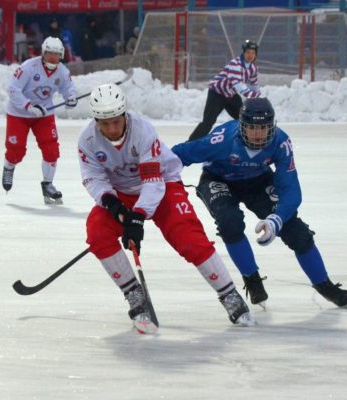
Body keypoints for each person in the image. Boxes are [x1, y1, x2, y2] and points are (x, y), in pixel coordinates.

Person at [77, 83, 255, 334]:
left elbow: (153, 181)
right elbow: (93, 178)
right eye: (105, 124)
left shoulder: (143, 131)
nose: (112, 129)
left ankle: (229, 295)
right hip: (121, 192)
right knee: (97, 232)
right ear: (96, 121)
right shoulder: (87, 140)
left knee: (188, 238)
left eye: (116, 121)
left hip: (163, 185)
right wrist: (114, 206)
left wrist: (137, 217)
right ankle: (134, 295)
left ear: (124, 115)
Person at [171, 97, 347, 309]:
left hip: (258, 181)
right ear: (241, 127)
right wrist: (152, 177)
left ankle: (324, 285)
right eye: (251, 128)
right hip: (218, 179)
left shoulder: (281, 142)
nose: (258, 135)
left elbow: (291, 190)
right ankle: (252, 279)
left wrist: (277, 219)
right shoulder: (222, 139)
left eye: (264, 128)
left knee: (296, 232)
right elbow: (180, 153)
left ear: (273, 126)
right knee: (229, 223)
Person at [1, 36, 77, 205]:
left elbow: (68, 88)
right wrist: (29, 106)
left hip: (44, 114)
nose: (53, 58)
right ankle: (9, 167)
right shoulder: (28, 67)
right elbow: (13, 89)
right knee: (16, 150)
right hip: (18, 114)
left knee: (51, 149)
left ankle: (48, 184)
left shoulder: (62, 71)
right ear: (43, 53)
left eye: (57, 55)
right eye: (50, 54)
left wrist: (71, 98)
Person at [188, 39, 261, 141]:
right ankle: (190, 145)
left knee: (244, 119)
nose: (250, 55)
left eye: (253, 53)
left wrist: (258, 96)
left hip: (231, 95)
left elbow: (254, 84)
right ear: (243, 53)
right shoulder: (235, 64)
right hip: (217, 94)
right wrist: (253, 95)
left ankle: (247, 142)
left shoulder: (253, 68)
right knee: (208, 122)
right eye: (248, 52)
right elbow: (238, 85)